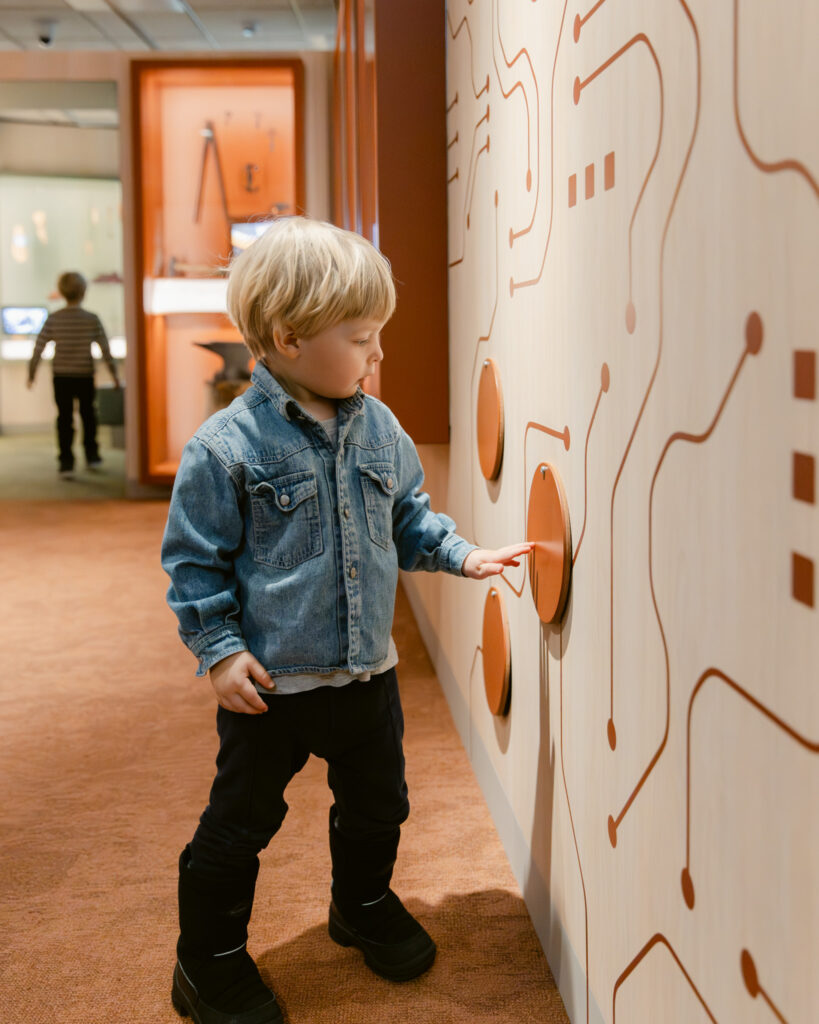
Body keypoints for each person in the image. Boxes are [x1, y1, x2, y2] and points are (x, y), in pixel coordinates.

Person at [161, 217, 532, 1024]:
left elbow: (408, 518)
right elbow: (193, 563)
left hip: (368, 673)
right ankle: (207, 960)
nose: (377, 353)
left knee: (379, 805)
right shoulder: (224, 448)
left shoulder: (379, 427)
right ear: (288, 337)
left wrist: (462, 554)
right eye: (361, 338)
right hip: (273, 687)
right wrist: (219, 651)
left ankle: (359, 904)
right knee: (240, 825)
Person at [26, 270, 120, 478]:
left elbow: (38, 348)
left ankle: (66, 462)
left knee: (64, 418)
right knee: (89, 416)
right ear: (83, 292)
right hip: (84, 375)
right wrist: (114, 375)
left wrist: (31, 373)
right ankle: (92, 456)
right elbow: (106, 350)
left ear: (61, 292)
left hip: (61, 377)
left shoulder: (54, 319)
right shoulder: (91, 319)